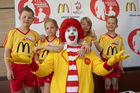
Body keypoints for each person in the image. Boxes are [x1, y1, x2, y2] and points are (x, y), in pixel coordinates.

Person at [26, 18, 129, 93]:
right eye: (68, 30)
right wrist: (31, 63)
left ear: (79, 33)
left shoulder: (87, 51)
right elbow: (44, 69)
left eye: (74, 30)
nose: (72, 33)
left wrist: (109, 63)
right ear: (63, 33)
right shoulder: (56, 52)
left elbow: (98, 68)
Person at [3, 6, 40, 93]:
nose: (27, 19)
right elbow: (7, 53)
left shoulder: (35, 34)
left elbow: (41, 46)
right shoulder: (12, 33)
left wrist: (42, 37)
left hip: (29, 67)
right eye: (24, 17)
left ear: (33, 20)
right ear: (19, 18)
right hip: (16, 67)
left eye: (29, 17)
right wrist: (9, 70)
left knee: (30, 90)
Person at [93, 16, 125, 93]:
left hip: (115, 62)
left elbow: (121, 51)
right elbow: (100, 49)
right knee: (107, 83)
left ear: (116, 25)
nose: (111, 25)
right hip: (106, 62)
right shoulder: (103, 37)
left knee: (115, 82)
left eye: (113, 23)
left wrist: (120, 63)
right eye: (109, 23)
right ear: (106, 25)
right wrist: (95, 40)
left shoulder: (119, 38)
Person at [34, 17, 61, 93]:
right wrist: (37, 62)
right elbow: (36, 53)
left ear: (57, 28)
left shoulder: (59, 40)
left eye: (52, 27)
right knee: (42, 89)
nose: (50, 30)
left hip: (50, 68)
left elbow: (58, 49)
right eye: (47, 28)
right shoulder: (42, 40)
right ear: (45, 30)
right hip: (40, 66)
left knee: (47, 90)